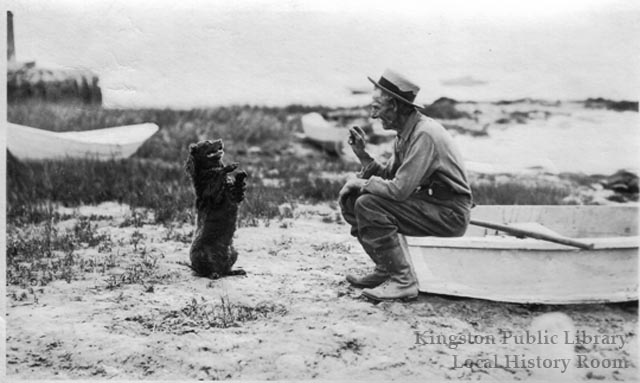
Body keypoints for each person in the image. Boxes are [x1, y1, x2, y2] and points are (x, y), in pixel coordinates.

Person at [339, 69, 473, 301]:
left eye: (376, 106)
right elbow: (391, 179)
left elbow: (398, 191)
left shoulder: (424, 136)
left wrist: (361, 182)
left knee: (369, 204)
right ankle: (386, 269)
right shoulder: (405, 135)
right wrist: (363, 156)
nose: (373, 115)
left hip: (449, 213)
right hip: (431, 205)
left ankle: (403, 281)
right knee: (355, 201)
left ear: (394, 105)